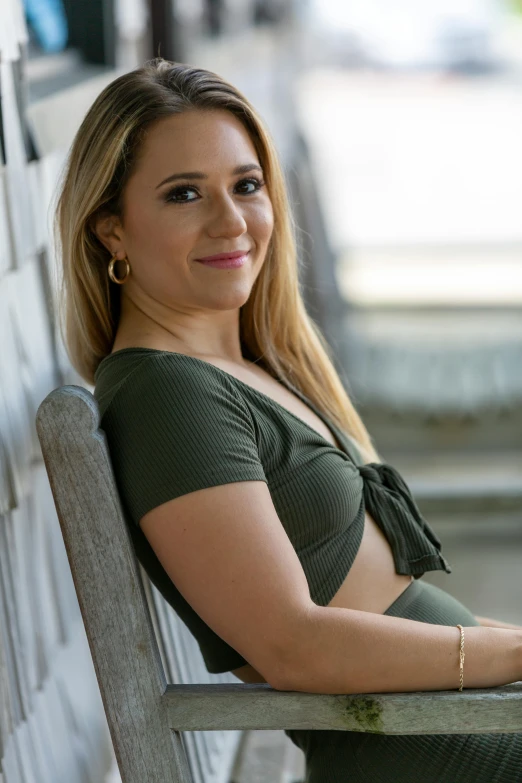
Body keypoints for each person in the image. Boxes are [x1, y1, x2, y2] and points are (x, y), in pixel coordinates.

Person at [54, 58, 522, 782]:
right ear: (112, 230)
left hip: (454, 717)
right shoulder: (166, 395)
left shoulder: (239, 368)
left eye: (246, 185)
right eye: (184, 194)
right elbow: (293, 645)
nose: (231, 221)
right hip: (425, 746)